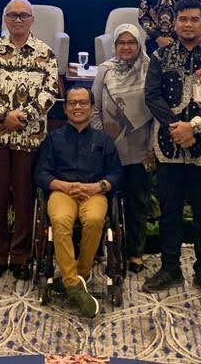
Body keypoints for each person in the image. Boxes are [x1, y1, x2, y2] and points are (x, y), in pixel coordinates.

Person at [143, 0, 201, 299]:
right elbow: (152, 96)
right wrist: (177, 129)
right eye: (183, 19)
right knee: (169, 212)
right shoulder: (160, 56)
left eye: (195, 19)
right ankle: (170, 268)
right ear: (175, 23)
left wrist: (193, 127)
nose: (188, 24)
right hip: (168, 146)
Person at [0, 0, 61, 280]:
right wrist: (4, 115)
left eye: (23, 15)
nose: (18, 20)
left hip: (30, 137)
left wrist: (22, 117)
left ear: (32, 20)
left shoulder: (45, 53)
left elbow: (50, 92)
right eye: (12, 15)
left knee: (26, 198)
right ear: (5, 19)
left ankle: (22, 256)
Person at [35, 86, 123, 318]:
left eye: (83, 103)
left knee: (94, 219)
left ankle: (79, 274)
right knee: (60, 221)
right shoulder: (53, 139)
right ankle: (74, 285)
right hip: (62, 191)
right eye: (72, 103)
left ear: (92, 108)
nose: (78, 107)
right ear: (65, 108)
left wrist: (97, 187)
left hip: (94, 192)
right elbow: (41, 174)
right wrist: (65, 186)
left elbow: (116, 174)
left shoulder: (104, 140)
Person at [91, 24, 152, 272]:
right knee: (103, 201)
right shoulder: (105, 70)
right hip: (109, 149)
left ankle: (135, 253)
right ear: (114, 46)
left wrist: (153, 146)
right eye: (121, 43)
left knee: (138, 202)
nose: (126, 47)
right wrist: (103, 140)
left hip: (141, 147)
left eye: (131, 42)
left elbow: (156, 110)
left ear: (139, 45)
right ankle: (97, 249)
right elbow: (94, 108)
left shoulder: (150, 69)